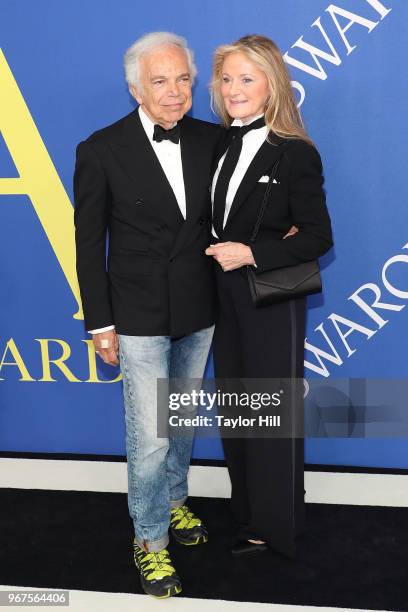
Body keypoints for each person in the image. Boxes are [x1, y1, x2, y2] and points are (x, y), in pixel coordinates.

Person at [74, 32, 220, 598]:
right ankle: (150, 539)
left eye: (183, 79)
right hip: (135, 314)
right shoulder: (101, 148)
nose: (174, 92)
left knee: (179, 419)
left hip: (199, 306)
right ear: (136, 87)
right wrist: (99, 320)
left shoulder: (214, 140)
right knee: (152, 432)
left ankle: (176, 501)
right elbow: (89, 243)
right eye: (161, 81)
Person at [206, 35, 333, 559]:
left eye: (247, 79)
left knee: (268, 415)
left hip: (269, 298)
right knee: (238, 413)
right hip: (221, 295)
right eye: (228, 78)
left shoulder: (295, 152)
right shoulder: (217, 143)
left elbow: (318, 237)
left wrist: (253, 253)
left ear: (271, 87)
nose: (234, 89)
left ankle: (276, 528)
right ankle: (249, 516)